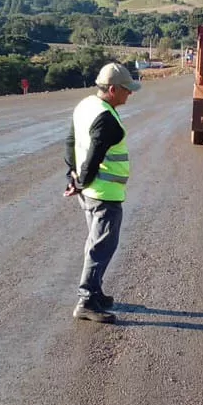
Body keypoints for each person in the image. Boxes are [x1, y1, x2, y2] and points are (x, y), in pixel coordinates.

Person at [63, 62, 141, 323]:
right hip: (104, 194)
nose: (130, 94)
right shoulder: (107, 118)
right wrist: (82, 181)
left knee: (95, 242)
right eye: (126, 90)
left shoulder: (86, 106)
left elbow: (71, 142)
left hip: (90, 192)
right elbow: (94, 154)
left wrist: (72, 178)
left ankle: (95, 291)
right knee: (102, 245)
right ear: (112, 89)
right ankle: (86, 299)